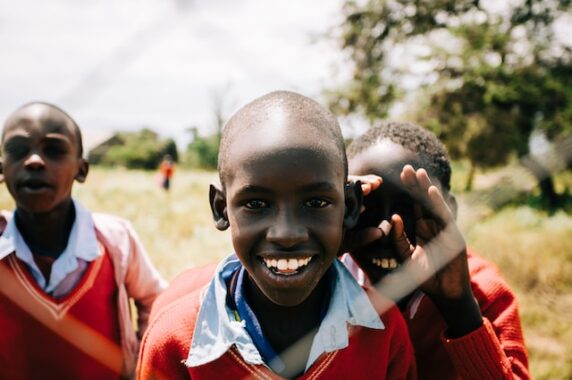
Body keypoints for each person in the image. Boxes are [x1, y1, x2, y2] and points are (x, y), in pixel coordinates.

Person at [137, 91, 416, 379]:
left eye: (316, 202)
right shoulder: (174, 341)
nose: (287, 234)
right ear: (221, 209)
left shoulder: (383, 332)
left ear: (351, 207)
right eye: (256, 204)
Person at [344, 121, 529, 379]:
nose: (387, 229)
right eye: (366, 207)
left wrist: (460, 309)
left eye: (409, 209)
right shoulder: (326, 279)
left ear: (449, 209)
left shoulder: (485, 294)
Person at [0, 102, 167, 379]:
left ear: (82, 169)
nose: (34, 161)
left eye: (54, 150)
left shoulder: (115, 241)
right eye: (18, 150)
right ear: (2, 169)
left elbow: (156, 300)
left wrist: (141, 366)